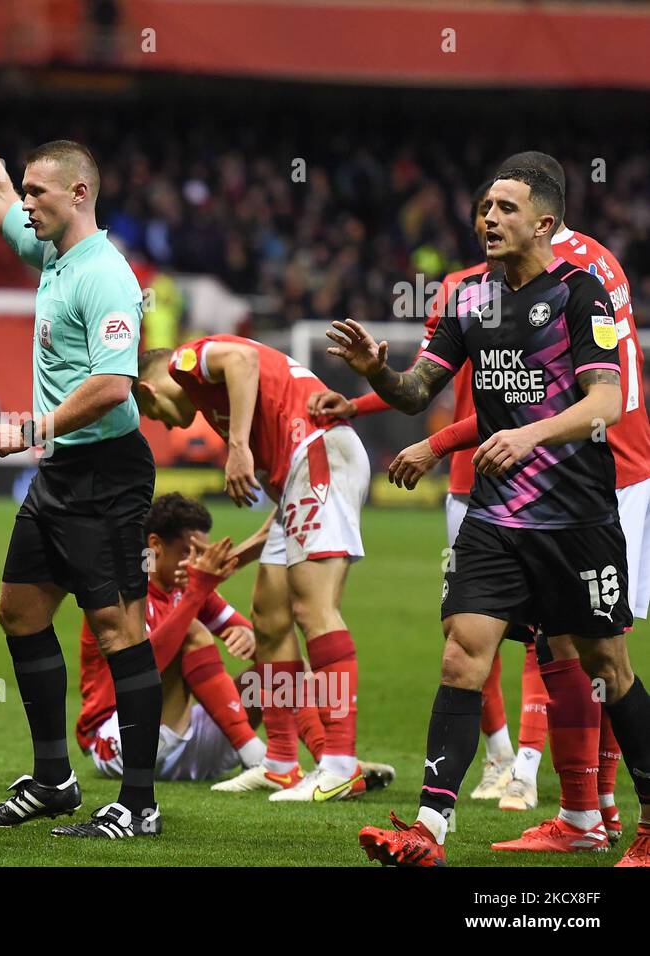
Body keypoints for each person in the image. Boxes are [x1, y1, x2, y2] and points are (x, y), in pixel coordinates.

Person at [332, 166, 650, 866]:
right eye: (483, 207)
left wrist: (530, 435)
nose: (489, 218)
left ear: (543, 224)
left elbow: (605, 402)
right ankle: (427, 830)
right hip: (498, 516)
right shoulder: (470, 298)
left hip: (576, 516)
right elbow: (418, 390)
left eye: (507, 207)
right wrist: (375, 372)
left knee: (608, 666)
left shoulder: (581, 294)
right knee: (460, 652)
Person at [0, 56, 163, 839]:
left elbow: (114, 384)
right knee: (19, 611)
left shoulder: (104, 273)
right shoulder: (54, 255)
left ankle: (138, 805)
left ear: (78, 194)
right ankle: (54, 780)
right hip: (63, 473)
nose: (22, 202)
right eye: (26, 189)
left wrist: (31, 427)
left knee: (118, 631)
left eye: (38, 192)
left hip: (107, 471)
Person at [134, 335, 395, 801]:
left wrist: (236, 447)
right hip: (301, 471)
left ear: (146, 393)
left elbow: (243, 357)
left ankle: (339, 763)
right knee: (270, 618)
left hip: (318, 453)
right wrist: (252, 548)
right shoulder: (209, 394)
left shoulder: (182, 363)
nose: (166, 427)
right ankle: (279, 763)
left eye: (152, 416)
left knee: (313, 610)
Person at [77, 493, 267, 784]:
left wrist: (252, 638)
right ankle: (254, 755)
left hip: (181, 741)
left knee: (281, 664)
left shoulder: (189, 587)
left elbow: (266, 650)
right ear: (155, 546)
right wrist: (198, 591)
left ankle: (322, 762)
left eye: (201, 553)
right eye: (188, 552)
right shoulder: (118, 588)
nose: (196, 562)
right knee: (191, 631)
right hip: (119, 739)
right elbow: (142, 670)